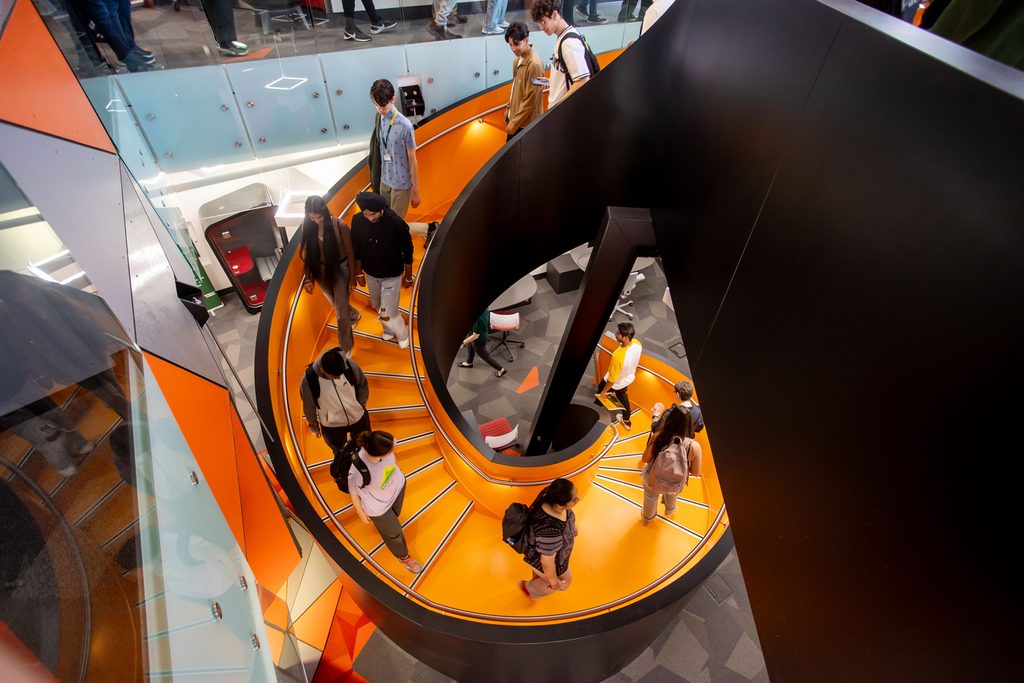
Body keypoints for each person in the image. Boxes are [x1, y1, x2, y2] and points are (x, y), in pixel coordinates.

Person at [348, 430, 423, 574]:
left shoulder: (381, 443)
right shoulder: (357, 470)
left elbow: (392, 462)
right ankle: (403, 556)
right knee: (394, 533)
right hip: (379, 506)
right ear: (380, 454)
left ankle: (387, 526)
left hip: (397, 489)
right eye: (390, 450)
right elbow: (353, 491)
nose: (393, 449)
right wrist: (360, 512)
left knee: (395, 515)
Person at [350, 192, 413, 350]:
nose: (370, 218)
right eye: (366, 214)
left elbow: (408, 248)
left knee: (387, 311)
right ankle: (388, 330)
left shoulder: (395, 223)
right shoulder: (357, 220)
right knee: (378, 306)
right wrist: (359, 272)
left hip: (391, 274)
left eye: (373, 214)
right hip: (371, 273)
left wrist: (408, 274)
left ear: (381, 209)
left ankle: (403, 334)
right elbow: (356, 247)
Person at [300, 196, 358, 354]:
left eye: (319, 217)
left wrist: (353, 278)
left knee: (340, 314)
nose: (316, 221)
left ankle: (345, 348)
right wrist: (307, 278)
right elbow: (307, 253)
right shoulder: (307, 226)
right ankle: (354, 314)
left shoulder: (339, 225)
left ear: (324, 211)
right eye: (312, 218)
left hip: (340, 269)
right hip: (320, 271)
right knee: (336, 303)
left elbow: (350, 253)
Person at [300, 347, 370, 451]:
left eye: (340, 375)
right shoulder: (309, 380)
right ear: (322, 370)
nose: (338, 378)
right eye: (334, 376)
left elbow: (362, 384)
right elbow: (309, 406)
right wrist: (314, 426)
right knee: (340, 452)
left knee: (366, 445)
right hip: (332, 426)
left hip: (358, 416)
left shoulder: (349, 365)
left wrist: (360, 405)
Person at [639, 408, 702, 525]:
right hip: (675, 482)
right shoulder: (694, 446)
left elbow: (645, 459)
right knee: (671, 493)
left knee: (650, 498)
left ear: (669, 420)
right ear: (689, 424)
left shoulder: (658, 437)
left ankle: (647, 518)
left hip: (652, 478)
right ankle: (670, 509)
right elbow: (696, 473)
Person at [519, 478, 579, 599]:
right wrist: (554, 582)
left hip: (540, 550)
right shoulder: (550, 530)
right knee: (564, 583)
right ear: (560, 505)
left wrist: (572, 528)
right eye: (573, 499)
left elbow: (568, 515)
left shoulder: (550, 495)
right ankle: (530, 589)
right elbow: (547, 562)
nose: (578, 499)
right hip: (548, 559)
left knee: (541, 576)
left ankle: (535, 581)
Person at [532, 0, 593, 107]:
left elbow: (583, 80)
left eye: (543, 21)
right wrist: (552, 81)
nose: (541, 27)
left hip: (563, 112)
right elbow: (568, 74)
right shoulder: (563, 37)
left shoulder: (569, 43)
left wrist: (558, 107)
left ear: (554, 15)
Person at [596, 322, 642, 430]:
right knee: (622, 396)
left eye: (618, 333)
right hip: (627, 379)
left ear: (625, 337)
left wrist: (604, 391)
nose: (615, 334)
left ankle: (594, 412)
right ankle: (626, 420)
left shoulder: (618, 356)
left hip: (615, 382)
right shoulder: (637, 344)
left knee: (599, 396)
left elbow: (612, 379)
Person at [504, 22, 545, 140]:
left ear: (526, 40)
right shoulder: (517, 60)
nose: (513, 48)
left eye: (516, 44)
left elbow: (531, 100)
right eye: (510, 45)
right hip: (516, 121)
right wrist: (508, 109)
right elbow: (514, 89)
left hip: (526, 126)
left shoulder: (534, 65)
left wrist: (514, 122)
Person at [458, 309, 507, 377]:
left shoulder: (476, 320)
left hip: (479, 340)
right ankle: (469, 362)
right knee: (470, 346)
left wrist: (463, 343)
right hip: (478, 334)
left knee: (485, 356)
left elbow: (475, 336)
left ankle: (501, 370)